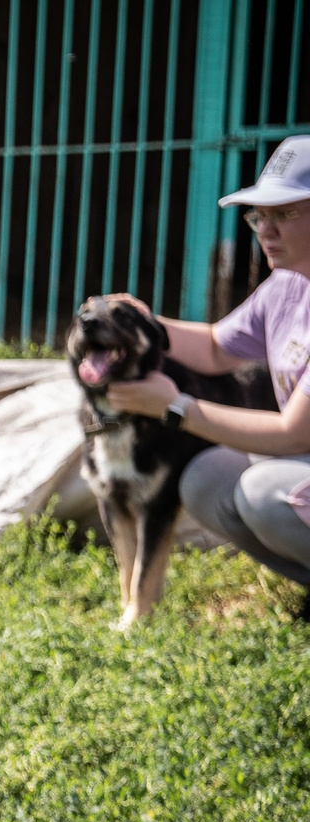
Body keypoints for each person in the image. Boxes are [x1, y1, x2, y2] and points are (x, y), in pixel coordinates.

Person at [106, 135, 310, 579]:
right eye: (260, 216)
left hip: (300, 450)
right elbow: (218, 348)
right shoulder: (288, 285)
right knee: (205, 477)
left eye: (286, 214)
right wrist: (138, 321)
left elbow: (294, 435)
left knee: (263, 492)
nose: (265, 231)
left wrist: (175, 408)